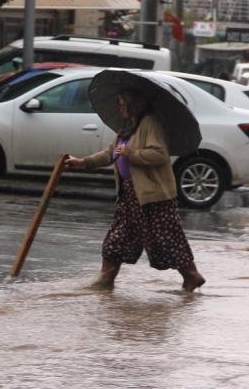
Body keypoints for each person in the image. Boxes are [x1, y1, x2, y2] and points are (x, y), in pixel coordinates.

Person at [65, 88, 205, 292]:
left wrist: (132, 154)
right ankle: (106, 282)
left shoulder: (150, 124)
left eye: (124, 105)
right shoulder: (127, 127)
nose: (121, 109)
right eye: (120, 105)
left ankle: (192, 276)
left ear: (134, 106)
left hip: (153, 198)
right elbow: (109, 154)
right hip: (130, 196)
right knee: (116, 241)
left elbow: (159, 154)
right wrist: (82, 162)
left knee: (166, 240)